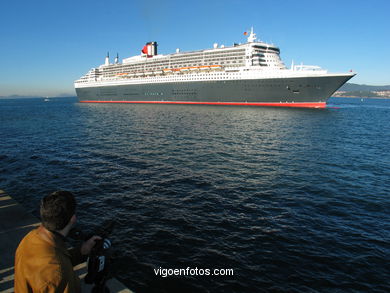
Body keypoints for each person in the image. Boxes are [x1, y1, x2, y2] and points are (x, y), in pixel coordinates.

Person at [14, 191, 101, 293]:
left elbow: (57, 259)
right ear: (73, 218)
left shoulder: (31, 237)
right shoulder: (57, 273)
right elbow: (56, 266)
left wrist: (81, 251)